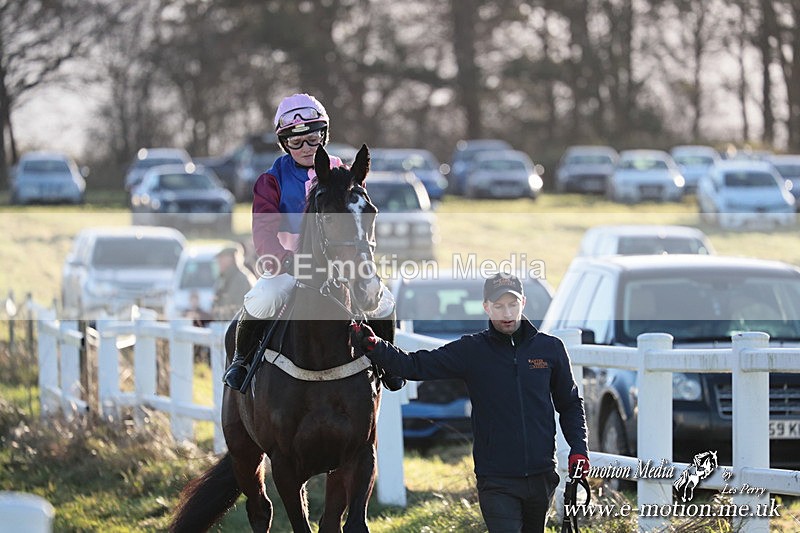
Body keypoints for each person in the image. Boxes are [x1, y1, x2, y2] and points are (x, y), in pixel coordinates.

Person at [351, 272, 590, 533]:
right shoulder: (472, 350)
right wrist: (375, 346)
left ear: (523, 303)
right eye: (498, 306)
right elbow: (415, 365)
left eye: (512, 304)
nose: (506, 313)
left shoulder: (550, 349)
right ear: (487, 307)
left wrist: (579, 448)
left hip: (542, 474)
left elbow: (569, 404)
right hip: (496, 479)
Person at [223, 93, 401, 393]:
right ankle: (241, 360)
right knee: (263, 297)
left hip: (341, 262)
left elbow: (358, 220)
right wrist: (283, 258)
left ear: (324, 135)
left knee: (383, 301)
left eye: (313, 138)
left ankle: (387, 363)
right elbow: (264, 232)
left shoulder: (345, 174)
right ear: (284, 143)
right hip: (289, 263)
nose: (306, 147)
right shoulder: (271, 180)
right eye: (296, 142)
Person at [211, 244, 255, 321]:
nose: (219, 262)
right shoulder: (225, 278)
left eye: (222, 258)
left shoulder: (241, 279)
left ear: (231, 259)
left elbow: (237, 308)